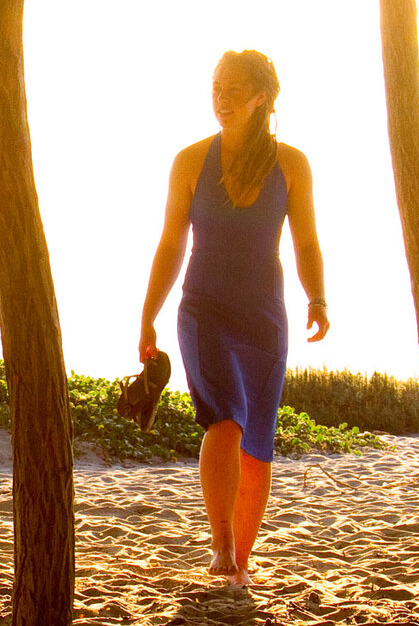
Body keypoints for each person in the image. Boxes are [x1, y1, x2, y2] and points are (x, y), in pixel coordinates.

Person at [137, 50, 329, 587]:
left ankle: (241, 561)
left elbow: (307, 241)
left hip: (265, 315)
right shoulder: (190, 161)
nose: (220, 99)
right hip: (204, 308)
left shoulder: (291, 165)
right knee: (223, 418)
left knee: (257, 442)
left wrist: (317, 298)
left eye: (232, 90)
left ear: (261, 96)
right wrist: (149, 314)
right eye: (215, 87)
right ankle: (220, 545)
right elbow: (172, 240)